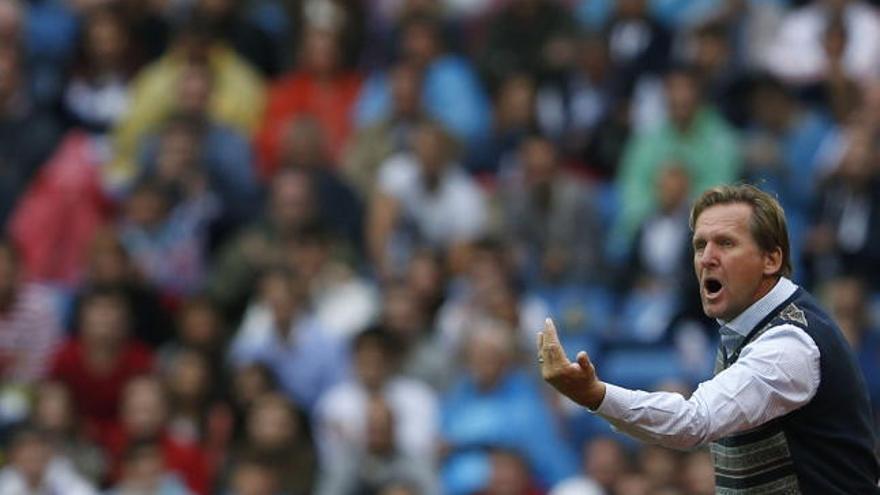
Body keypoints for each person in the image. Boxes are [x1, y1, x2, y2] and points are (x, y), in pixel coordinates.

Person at [538, 184, 880, 494]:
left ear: (771, 259)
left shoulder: (788, 345)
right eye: (700, 244)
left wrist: (595, 395)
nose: (707, 258)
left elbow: (693, 421)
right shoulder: (747, 326)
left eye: (726, 243)